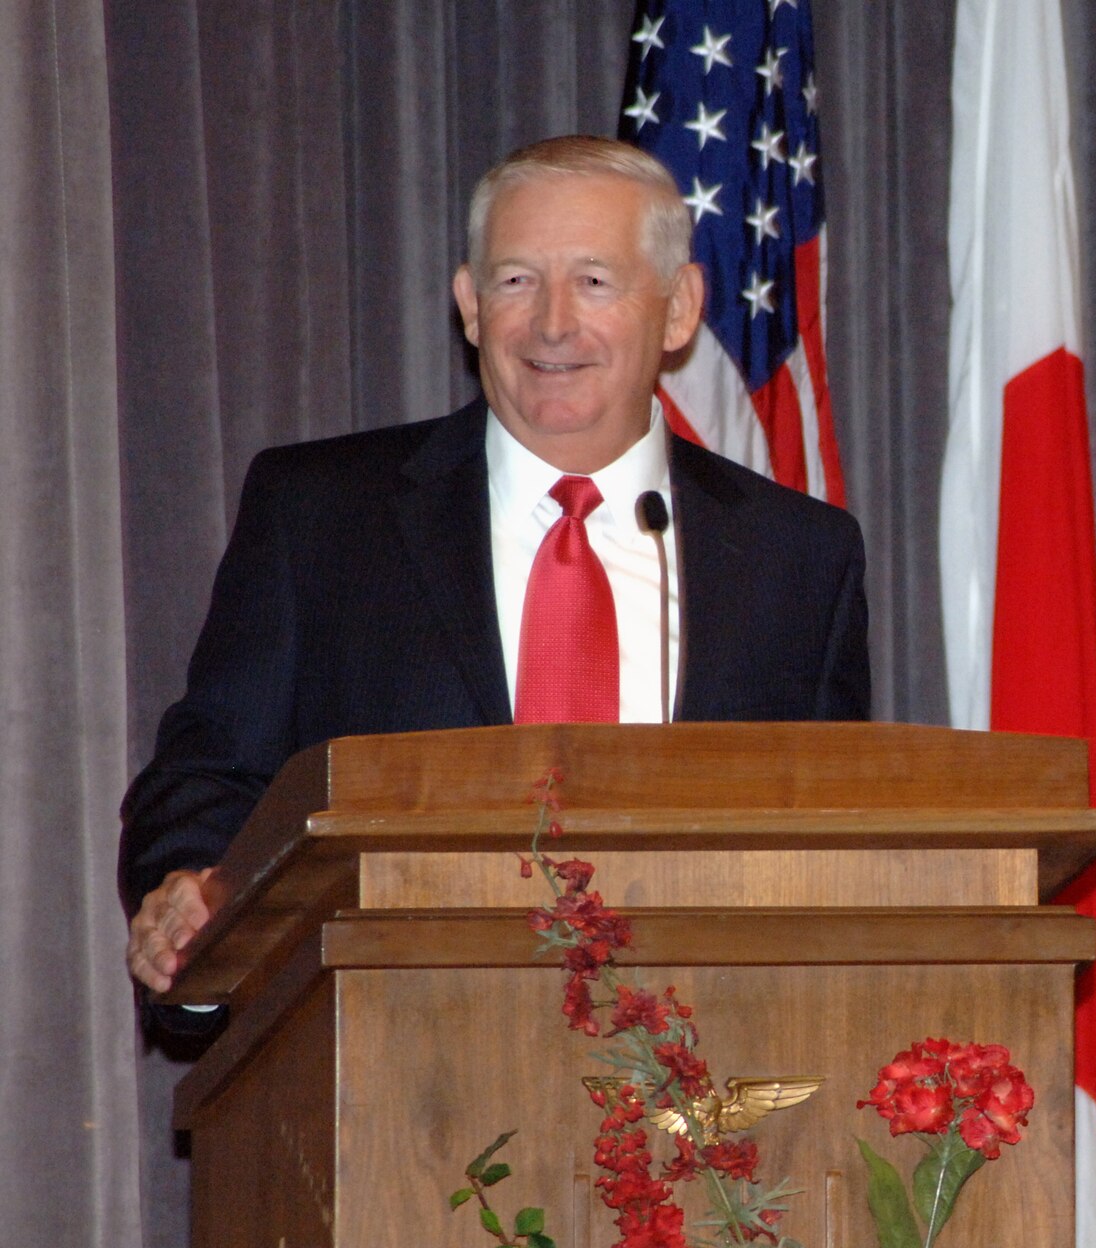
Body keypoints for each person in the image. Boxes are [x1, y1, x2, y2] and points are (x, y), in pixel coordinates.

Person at [121, 135, 869, 998]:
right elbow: (209, 778)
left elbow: (835, 849)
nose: (552, 322)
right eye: (516, 281)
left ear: (678, 308)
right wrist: (195, 900)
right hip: (391, 1072)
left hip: (702, 1087)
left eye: (594, 281)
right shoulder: (322, 517)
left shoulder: (799, 560)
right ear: (470, 306)